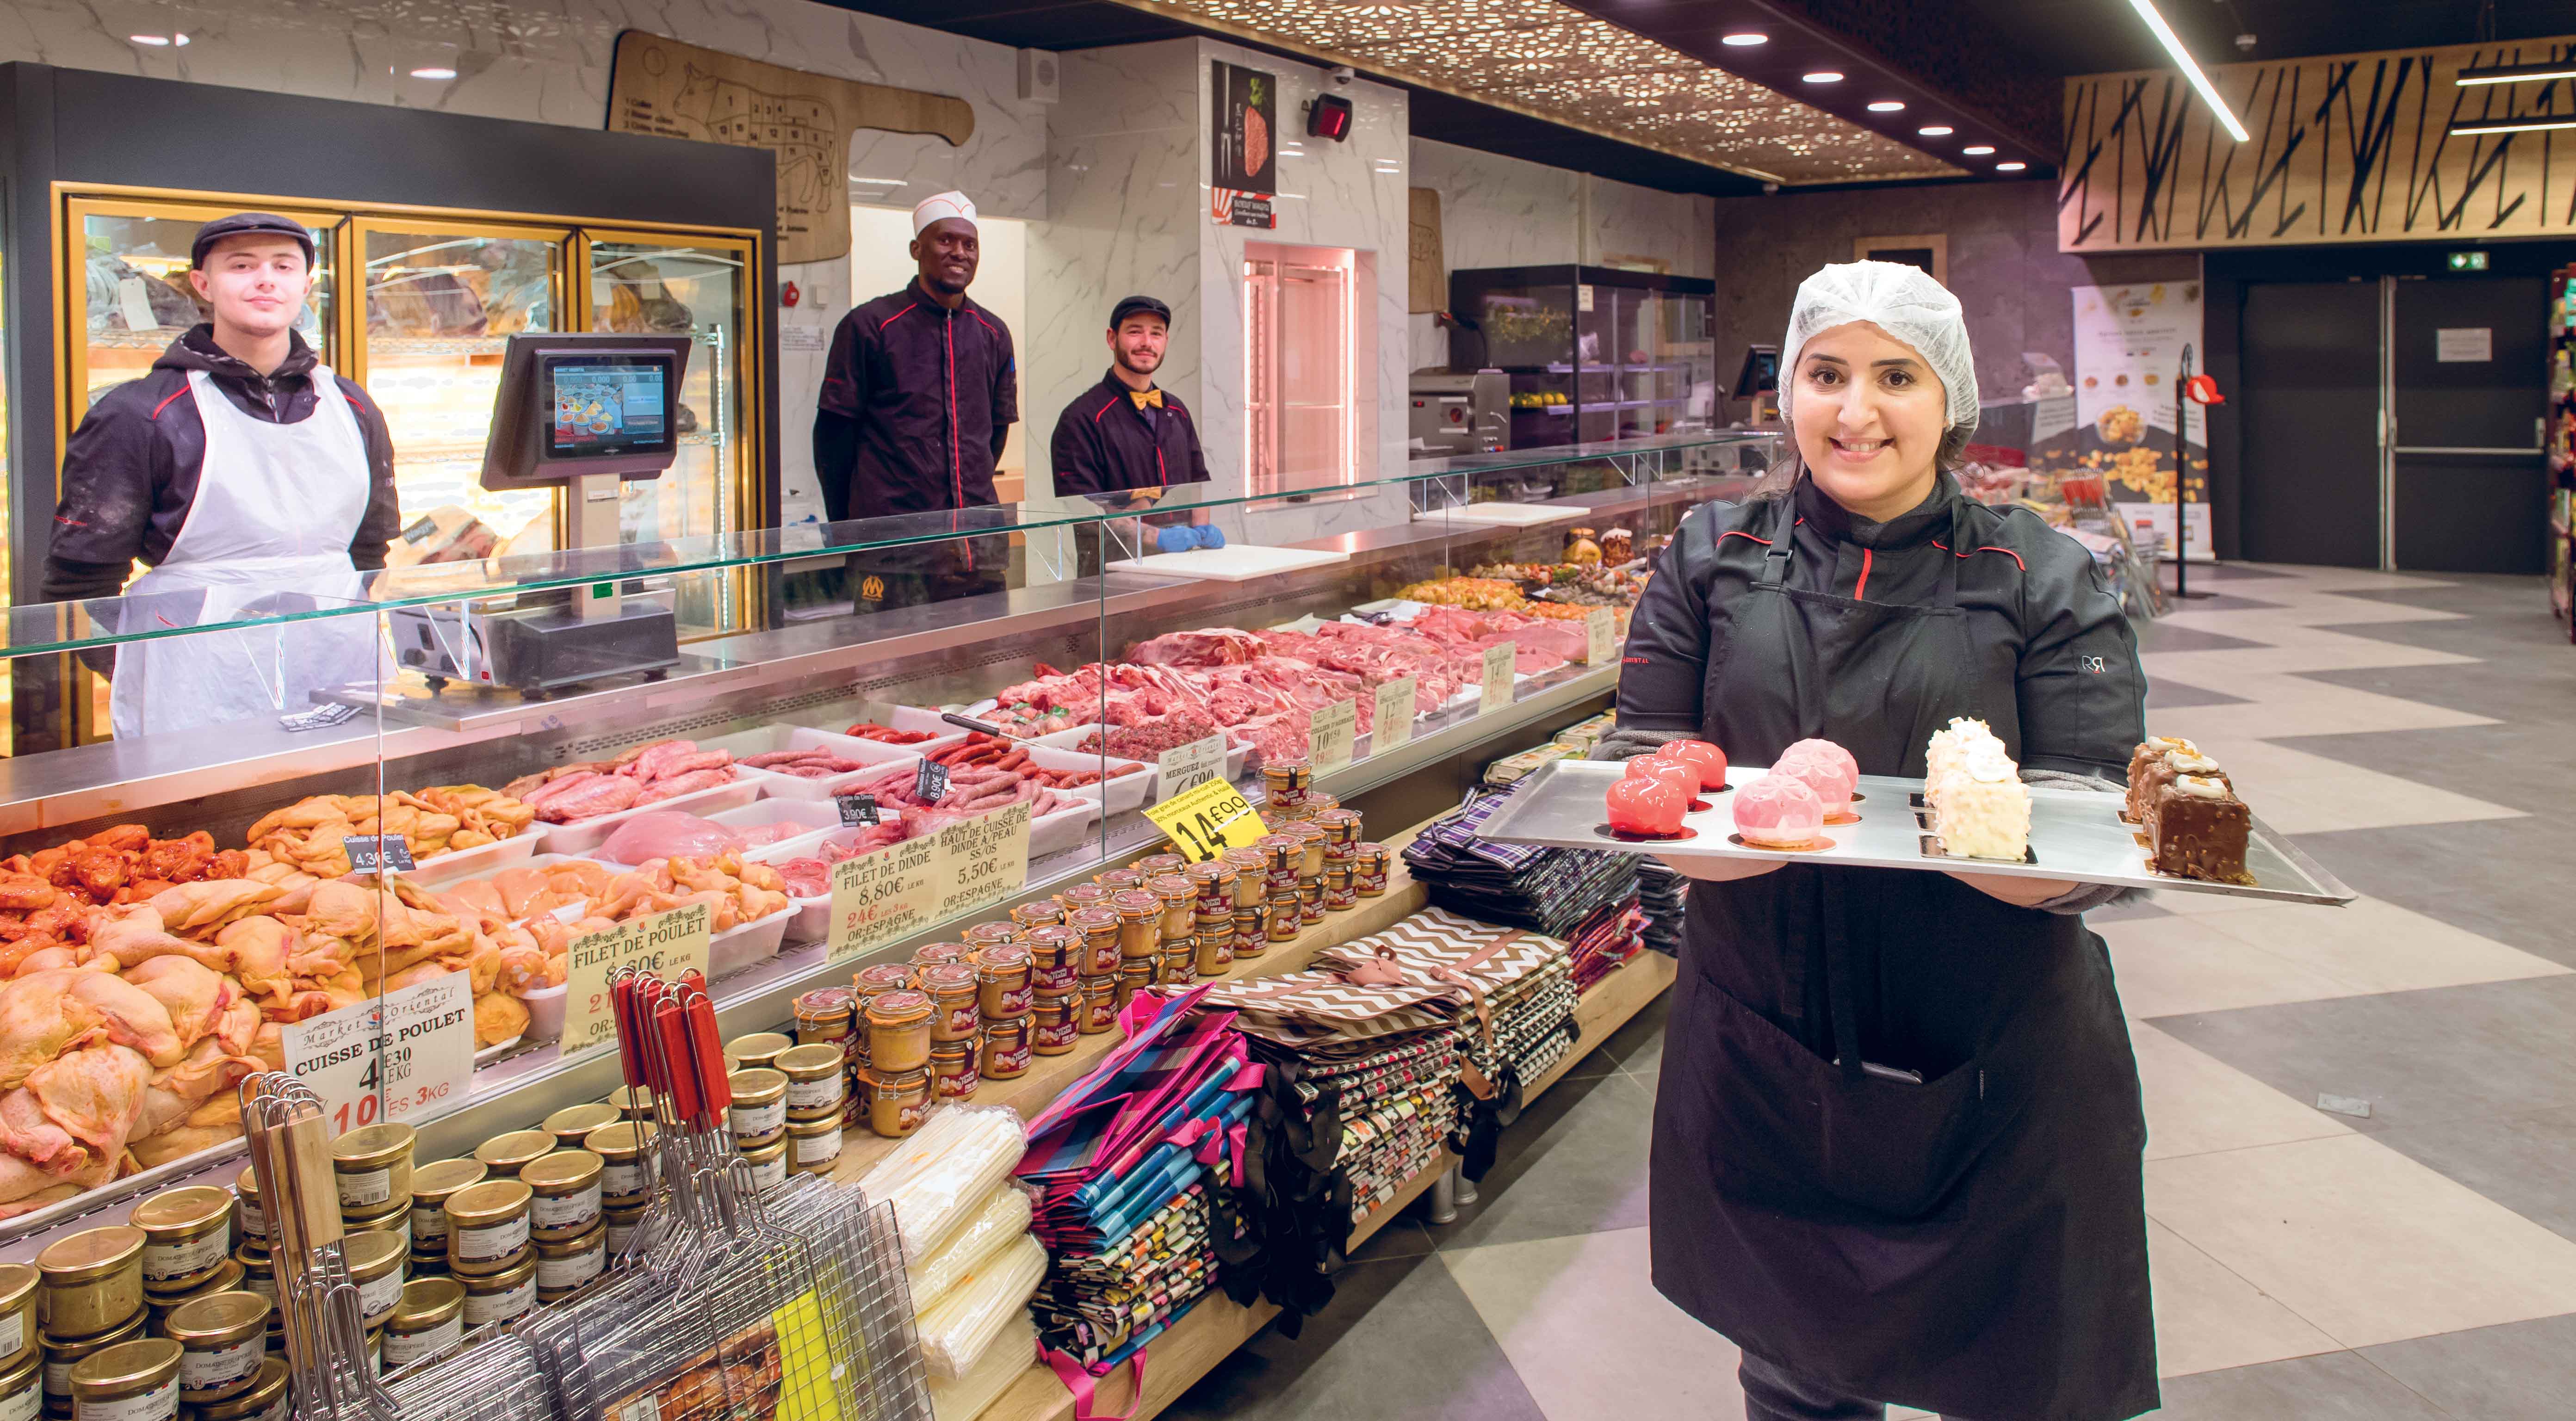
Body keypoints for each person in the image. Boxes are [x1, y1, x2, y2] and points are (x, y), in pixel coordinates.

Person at [1608, 261, 2156, 1421]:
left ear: (1948, 398)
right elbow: (1645, 768)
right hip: (1766, 1026)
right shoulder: (1708, 554)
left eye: (1894, 376)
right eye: (1826, 373)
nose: (1854, 411)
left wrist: (2003, 843)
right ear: (1787, 390)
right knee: (1795, 1377)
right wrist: (1705, 832)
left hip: (2000, 1041)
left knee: (2020, 1375)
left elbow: (2083, 822)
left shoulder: (2045, 572)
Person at [44, 212, 400, 739]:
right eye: (241, 265)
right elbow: (78, 584)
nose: (265, 279)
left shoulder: (351, 406)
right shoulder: (137, 413)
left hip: (337, 671)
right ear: (202, 284)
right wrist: (149, 670)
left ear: (305, 285)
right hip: (192, 682)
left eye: (283, 265)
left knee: (344, 812)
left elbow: (367, 553)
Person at [813, 189, 1018, 609]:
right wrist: (848, 529)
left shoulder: (993, 334)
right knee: (885, 669)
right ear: (917, 249)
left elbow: (994, 436)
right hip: (894, 555)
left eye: (970, 244)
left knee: (983, 671)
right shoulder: (870, 326)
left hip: (977, 552)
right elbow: (833, 439)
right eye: (945, 240)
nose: (959, 252)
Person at [1048, 294, 1218, 570]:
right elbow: (1084, 510)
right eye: (1135, 331)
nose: (1146, 343)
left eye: (1156, 334)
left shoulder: (1177, 411)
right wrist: (1157, 538)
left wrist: (1202, 531)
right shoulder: (1080, 418)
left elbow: (1198, 483)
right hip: (1112, 576)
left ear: (1165, 342)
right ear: (1112, 339)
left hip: (1185, 568)